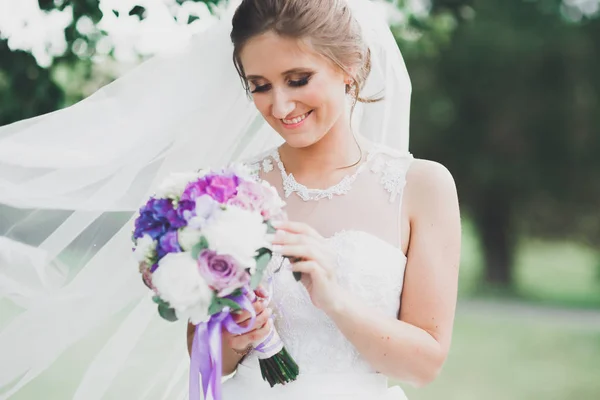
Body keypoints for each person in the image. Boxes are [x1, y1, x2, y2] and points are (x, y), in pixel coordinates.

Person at [0, 0, 460, 399]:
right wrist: (240, 335)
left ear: (352, 65)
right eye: (260, 86)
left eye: (298, 79)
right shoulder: (228, 191)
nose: (279, 107)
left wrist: (334, 299)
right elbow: (207, 361)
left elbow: (424, 366)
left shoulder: (422, 187)